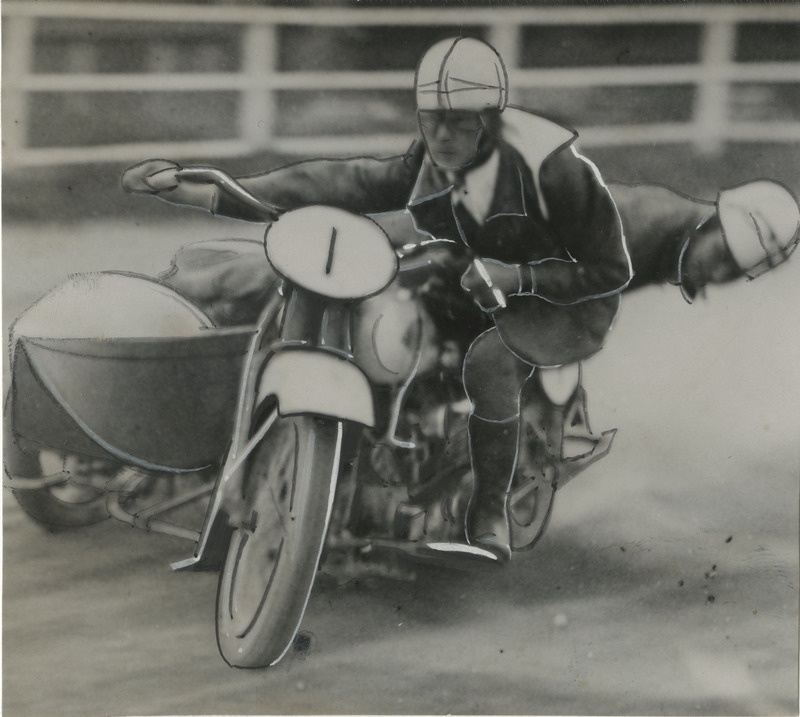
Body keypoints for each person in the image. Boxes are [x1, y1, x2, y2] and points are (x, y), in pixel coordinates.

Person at [123, 37, 800, 563]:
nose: (442, 136)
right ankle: (173, 331)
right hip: (470, 267)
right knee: (317, 271)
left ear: (491, 120)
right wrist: (208, 190)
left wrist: (516, 279)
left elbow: (601, 270)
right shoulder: (437, 150)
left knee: (487, 364)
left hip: (563, 301)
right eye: (433, 120)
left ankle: (488, 509)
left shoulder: (597, 196)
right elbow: (349, 182)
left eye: (460, 123)